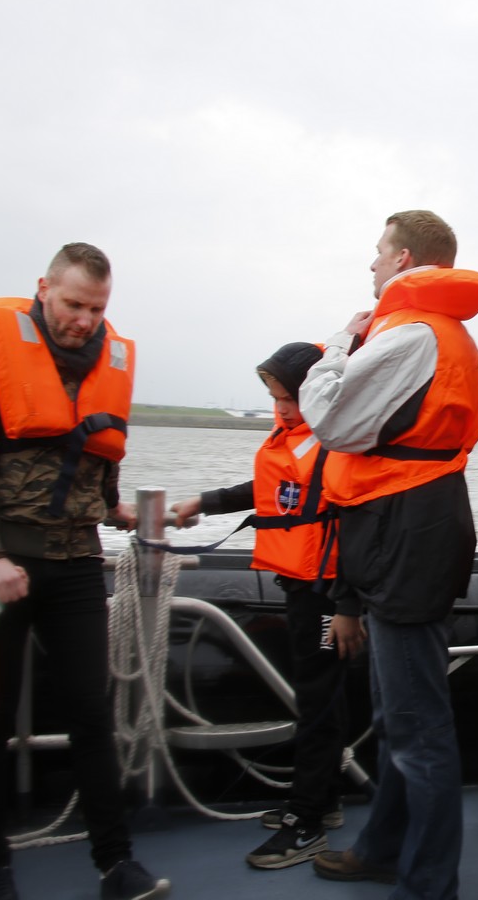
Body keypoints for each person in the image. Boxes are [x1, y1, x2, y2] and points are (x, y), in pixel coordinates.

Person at [0, 243, 170, 900]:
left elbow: (101, 448)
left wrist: (110, 505)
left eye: (96, 309)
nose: (84, 321)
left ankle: (116, 865)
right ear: (44, 289)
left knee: (91, 716)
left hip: (75, 562)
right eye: (73, 305)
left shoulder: (107, 359)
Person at [297, 210, 478, 899]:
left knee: (419, 728)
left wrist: (337, 345)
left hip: (405, 537)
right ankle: (384, 849)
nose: (371, 264)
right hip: (408, 527)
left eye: (379, 252)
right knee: (398, 717)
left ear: (404, 260)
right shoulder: (450, 339)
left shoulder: (411, 334)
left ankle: (428, 884)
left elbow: (330, 417)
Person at [170, 341, 358, 870]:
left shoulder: (338, 442)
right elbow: (269, 489)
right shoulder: (297, 440)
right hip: (301, 584)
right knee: (318, 697)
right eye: (275, 398)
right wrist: (204, 502)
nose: (282, 409)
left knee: (318, 703)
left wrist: (347, 606)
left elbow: (357, 525)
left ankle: (308, 822)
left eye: (290, 398)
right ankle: (325, 799)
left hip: (327, 591)